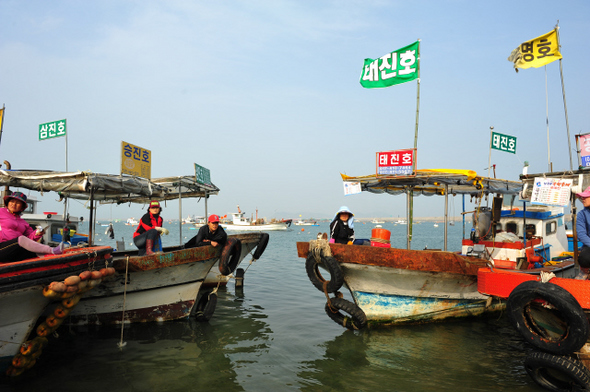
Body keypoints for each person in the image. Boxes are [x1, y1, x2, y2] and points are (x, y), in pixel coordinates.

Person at [0, 191, 65, 262]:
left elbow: (29, 238)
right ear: (8, 202)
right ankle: (52, 250)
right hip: (2, 248)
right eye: (12, 201)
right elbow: (22, 240)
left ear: (22, 207)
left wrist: (38, 233)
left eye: (18, 203)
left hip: (13, 252)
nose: (14, 204)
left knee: (34, 251)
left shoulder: (24, 223)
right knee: (21, 239)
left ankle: (53, 261)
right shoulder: (1, 212)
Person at [576, 187, 590, 268]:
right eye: (582, 197)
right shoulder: (582, 214)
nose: (582, 199)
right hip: (589, 245)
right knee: (583, 259)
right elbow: (581, 235)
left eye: (585, 197)